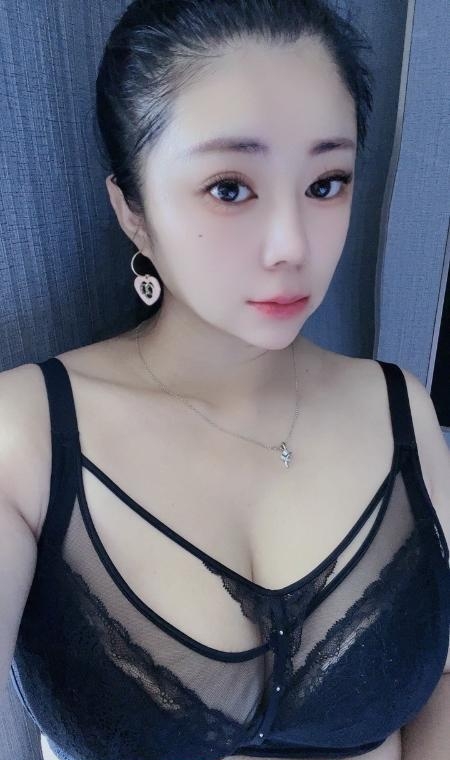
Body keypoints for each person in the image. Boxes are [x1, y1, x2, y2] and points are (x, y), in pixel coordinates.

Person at [1, 2, 449, 760]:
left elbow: (442, 684)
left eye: (326, 182)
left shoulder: (399, 407)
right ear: (133, 210)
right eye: (230, 188)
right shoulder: (25, 437)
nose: (291, 245)